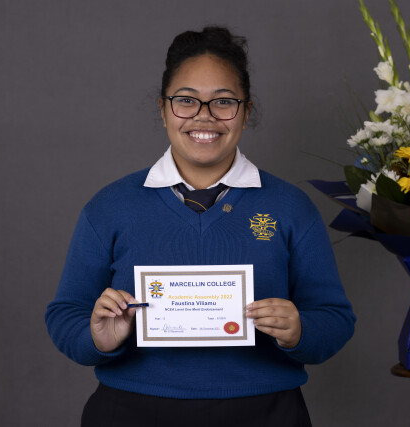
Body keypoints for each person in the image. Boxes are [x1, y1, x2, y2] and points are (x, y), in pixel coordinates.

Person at [45, 26, 355, 427]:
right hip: (132, 412)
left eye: (224, 101)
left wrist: (300, 330)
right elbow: (65, 314)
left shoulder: (290, 207)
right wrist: (96, 339)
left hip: (265, 413)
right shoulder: (110, 206)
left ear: (246, 111)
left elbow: (334, 318)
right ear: (163, 109)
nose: (204, 116)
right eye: (186, 101)